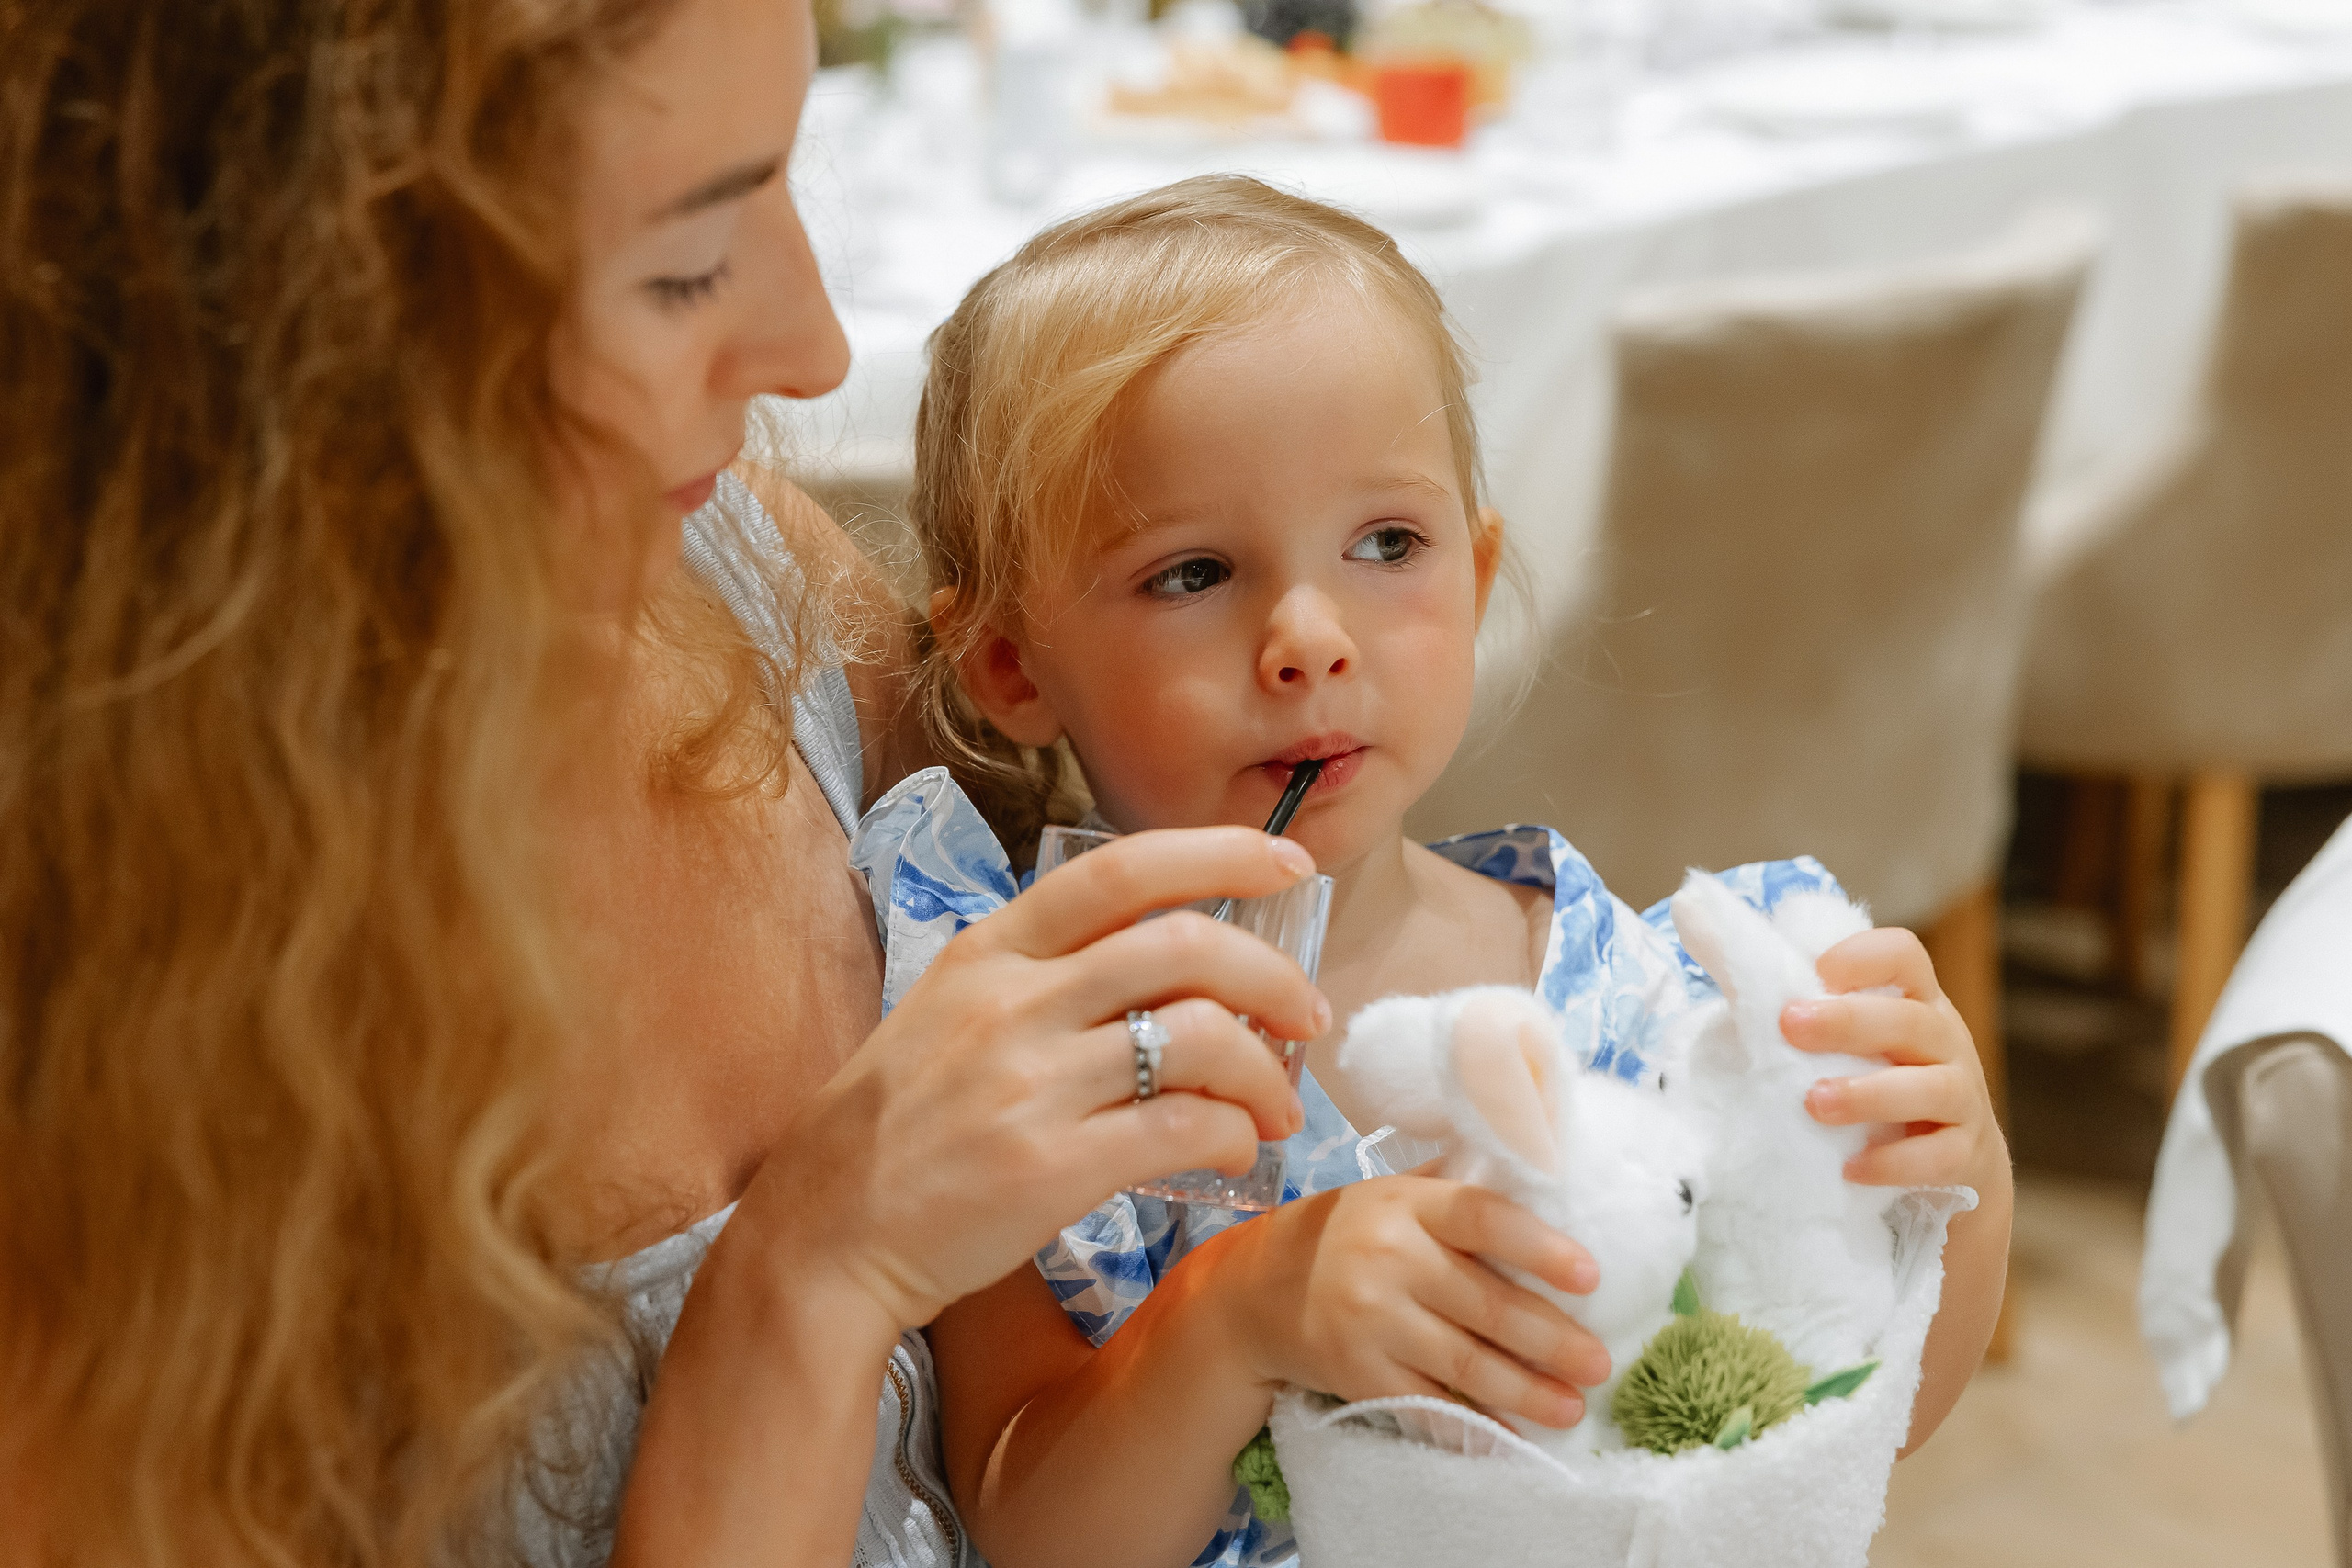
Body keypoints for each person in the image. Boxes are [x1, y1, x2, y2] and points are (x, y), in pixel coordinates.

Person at [0, 5, 1331, 1566]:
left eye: (785, 175)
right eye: (686, 262)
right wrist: (802, 1292)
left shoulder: (760, 603)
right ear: (300, 337)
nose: (817, 346)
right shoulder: (76, 1015)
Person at [895, 178, 2018, 1568]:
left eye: (1387, 545)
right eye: (1192, 573)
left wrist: (1959, 1172)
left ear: (1478, 583)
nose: (1309, 636)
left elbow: (1860, 1414)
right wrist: (1238, 1319)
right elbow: (1026, 1525)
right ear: (1010, 662)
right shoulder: (1018, 1045)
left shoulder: (1651, 1005)